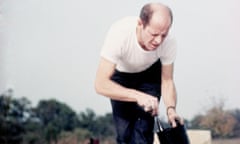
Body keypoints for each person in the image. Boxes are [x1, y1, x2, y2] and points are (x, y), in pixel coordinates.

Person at [95, 2, 183, 144]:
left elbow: (167, 80)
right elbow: (100, 84)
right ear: (140, 24)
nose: (158, 41)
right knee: (124, 135)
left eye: (164, 35)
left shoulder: (169, 43)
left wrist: (171, 109)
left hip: (149, 75)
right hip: (121, 77)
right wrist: (137, 96)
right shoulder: (120, 34)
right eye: (154, 34)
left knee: (142, 134)